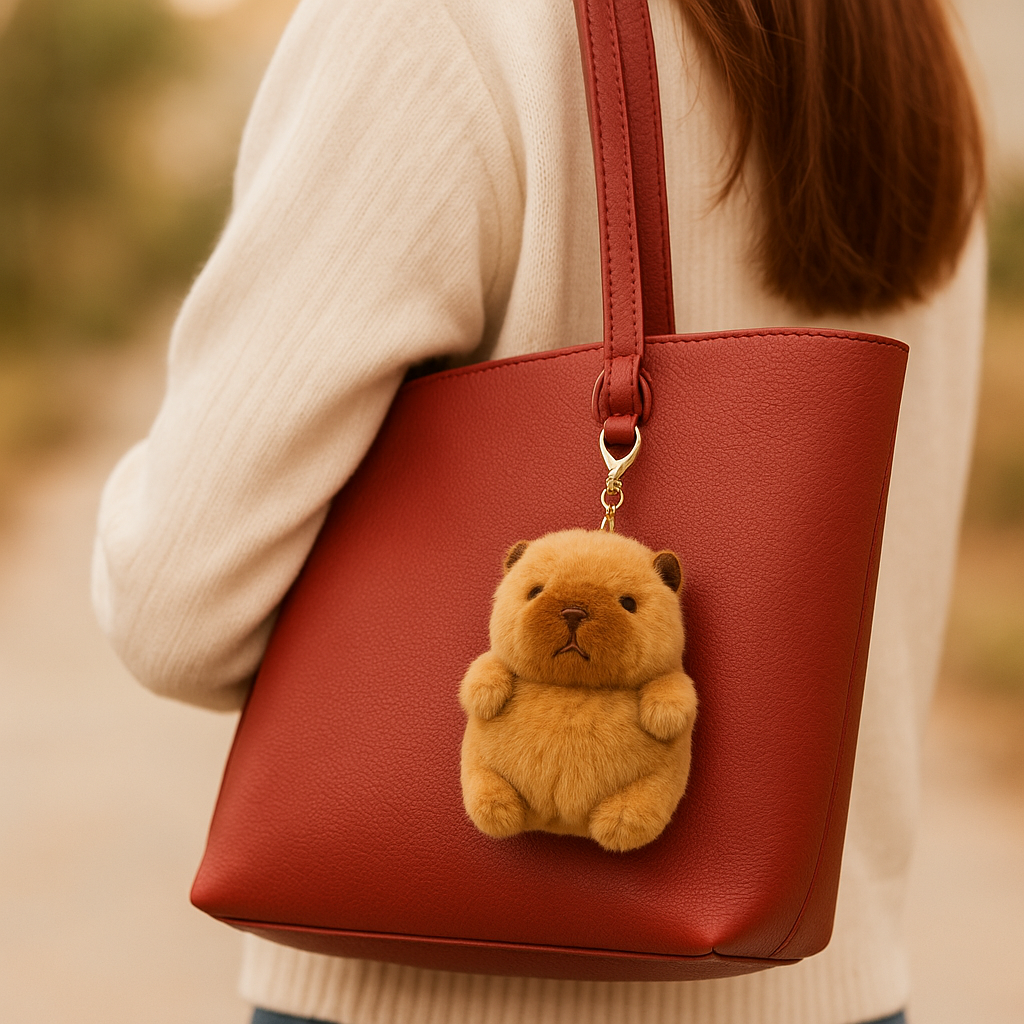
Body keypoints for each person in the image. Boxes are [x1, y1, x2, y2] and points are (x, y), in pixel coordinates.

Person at [91, 0, 986, 1021]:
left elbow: (174, 605)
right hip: (831, 989)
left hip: (427, 993)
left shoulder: (432, 26)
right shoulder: (901, 39)